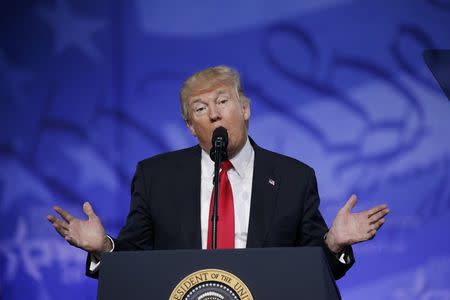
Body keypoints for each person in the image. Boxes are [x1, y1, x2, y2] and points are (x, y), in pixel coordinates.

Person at [48, 65, 389, 280]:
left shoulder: (293, 178)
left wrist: (333, 242)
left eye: (222, 102)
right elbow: (135, 263)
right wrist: (103, 247)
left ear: (245, 108)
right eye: (200, 108)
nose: (213, 114)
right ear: (190, 127)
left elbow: (316, 273)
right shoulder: (155, 177)